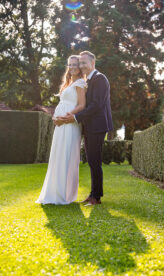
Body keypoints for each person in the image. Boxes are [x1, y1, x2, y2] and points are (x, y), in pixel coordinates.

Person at [60, 51, 113, 206]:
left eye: (84, 63)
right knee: (91, 161)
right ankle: (92, 194)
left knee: (95, 161)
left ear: (92, 63)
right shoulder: (89, 80)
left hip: (98, 126)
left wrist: (76, 117)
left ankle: (96, 197)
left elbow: (97, 105)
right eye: (80, 63)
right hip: (90, 126)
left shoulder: (100, 79)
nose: (82, 66)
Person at [35, 55, 87, 205]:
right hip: (61, 124)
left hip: (70, 123)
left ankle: (64, 194)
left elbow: (81, 105)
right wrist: (55, 117)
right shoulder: (68, 83)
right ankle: (55, 191)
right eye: (70, 65)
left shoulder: (80, 83)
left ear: (80, 66)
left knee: (67, 154)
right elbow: (63, 103)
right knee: (58, 154)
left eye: (75, 64)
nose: (72, 67)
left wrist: (65, 118)